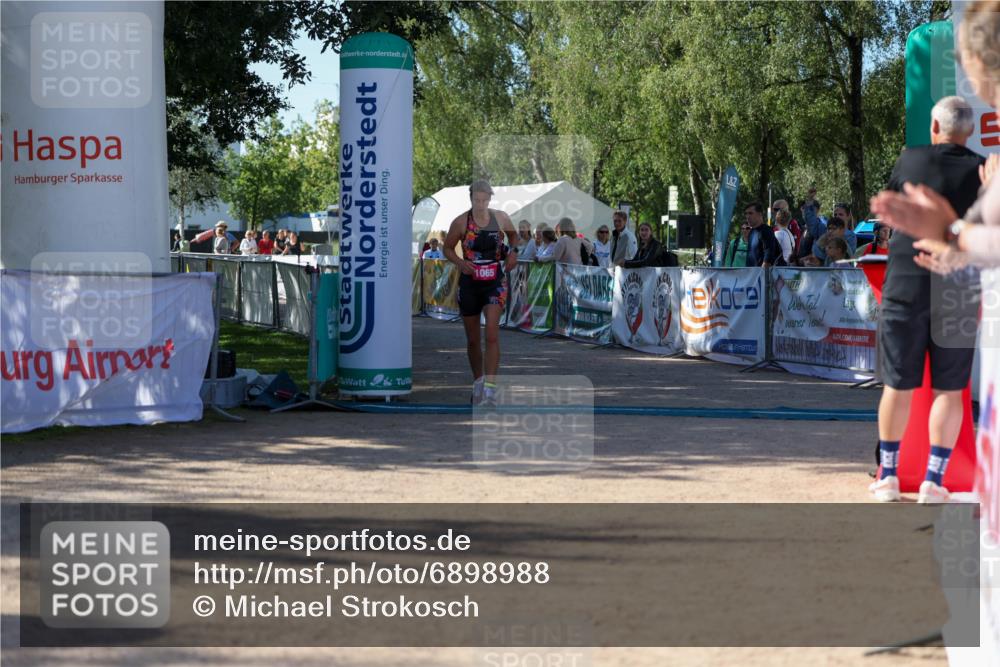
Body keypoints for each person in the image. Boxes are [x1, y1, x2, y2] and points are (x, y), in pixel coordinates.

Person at [866, 95, 984, 504]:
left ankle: (890, 477)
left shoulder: (909, 160)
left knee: (897, 386)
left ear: (935, 128)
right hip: (958, 288)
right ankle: (934, 481)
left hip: (906, 286)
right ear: (969, 132)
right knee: (950, 391)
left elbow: (888, 214)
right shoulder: (983, 171)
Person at [442, 180, 519, 405]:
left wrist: (513, 252)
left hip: (495, 280)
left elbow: (514, 236)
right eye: (477, 200)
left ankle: (491, 389)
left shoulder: (501, 217)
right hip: (470, 281)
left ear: (490, 199)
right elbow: (447, 247)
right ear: (471, 199)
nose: (481, 204)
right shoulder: (460, 222)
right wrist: (460, 262)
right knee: (473, 340)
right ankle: (478, 384)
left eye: (485, 200)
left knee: (492, 334)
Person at [743, 202, 780, 267]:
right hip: (751, 274)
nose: (747, 216)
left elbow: (768, 258)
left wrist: (761, 275)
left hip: (762, 275)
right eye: (746, 214)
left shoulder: (766, 231)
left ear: (760, 214)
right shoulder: (751, 232)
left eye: (750, 213)